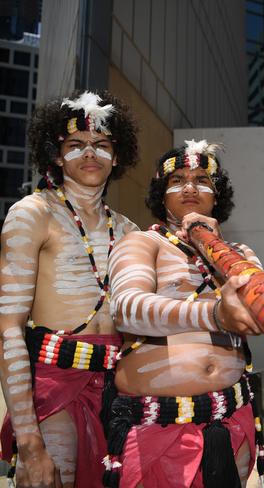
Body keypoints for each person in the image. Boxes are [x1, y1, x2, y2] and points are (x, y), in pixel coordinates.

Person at [104, 140, 264, 488]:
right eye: (177, 179)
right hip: (158, 429)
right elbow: (126, 308)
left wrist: (215, 248)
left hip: (231, 420)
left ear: (216, 195)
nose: (190, 187)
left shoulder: (238, 253)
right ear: (161, 195)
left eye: (202, 179)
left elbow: (260, 309)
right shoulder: (141, 243)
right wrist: (215, 316)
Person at [0, 91, 139, 487]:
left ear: (118, 155)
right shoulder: (32, 214)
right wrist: (29, 442)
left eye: (102, 145)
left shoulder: (130, 230)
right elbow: (8, 326)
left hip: (119, 392)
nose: (90, 154)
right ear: (57, 156)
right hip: (54, 385)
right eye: (75, 145)